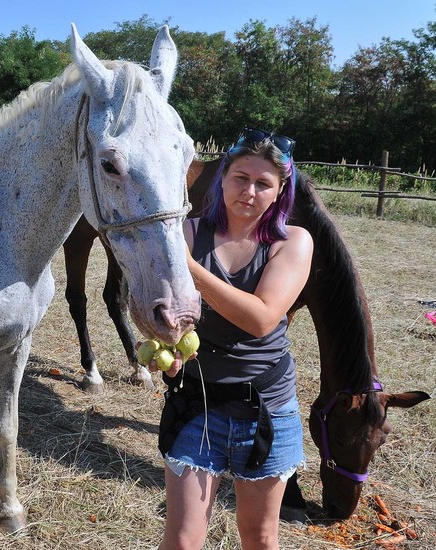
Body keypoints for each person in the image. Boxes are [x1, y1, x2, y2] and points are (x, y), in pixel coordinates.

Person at [154, 126, 313, 549]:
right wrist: (164, 346)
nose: (249, 191)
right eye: (241, 177)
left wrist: (189, 267)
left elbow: (261, 319)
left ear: (280, 192)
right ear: (222, 177)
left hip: (266, 410)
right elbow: (168, 310)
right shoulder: (190, 233)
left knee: (259, 537)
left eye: (264, 183)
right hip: (197, 405)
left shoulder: (292, 243)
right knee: (182, 539)